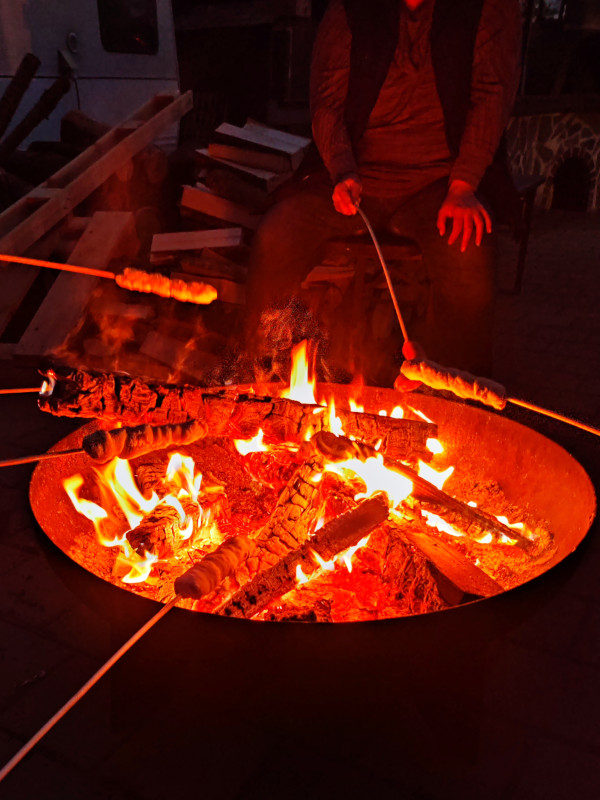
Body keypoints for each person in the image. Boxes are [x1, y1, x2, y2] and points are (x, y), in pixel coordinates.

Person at [245, 0, 522, 380]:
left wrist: (464, 184)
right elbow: (326, 104)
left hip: (438, 186)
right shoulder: (352, 10)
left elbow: (492, 97)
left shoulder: (483, 10)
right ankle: (257, 369)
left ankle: (456, 389)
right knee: (278, 234)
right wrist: (343, 169)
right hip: (353, 179)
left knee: (468, 252)